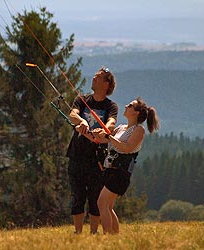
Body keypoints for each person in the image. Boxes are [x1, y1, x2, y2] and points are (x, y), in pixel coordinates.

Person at [92, 97, 160, 234]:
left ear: (136, 112)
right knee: (108, 206)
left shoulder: (138, 130)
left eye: (130, 105)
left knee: (102, 203)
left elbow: (127, 148)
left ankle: (107, 236)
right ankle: (115, 237)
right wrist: (93, 133)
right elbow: (105, 140)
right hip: (110, 170)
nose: (126, 106)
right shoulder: (121, 128)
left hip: (121, 173)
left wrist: (108, 137)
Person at [66, 66, 118, 234]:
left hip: (97, 158)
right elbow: (72, 114)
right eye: (94, 75)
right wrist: (82, 121)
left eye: (98, 77)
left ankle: (94, 233)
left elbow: (111, 122)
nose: (93, 78)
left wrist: (104, 129)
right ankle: (78, 232)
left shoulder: (111, 106)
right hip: (77, 155)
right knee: (77, 195)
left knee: (95, 197)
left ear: (107, 84)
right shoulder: (82, 100)